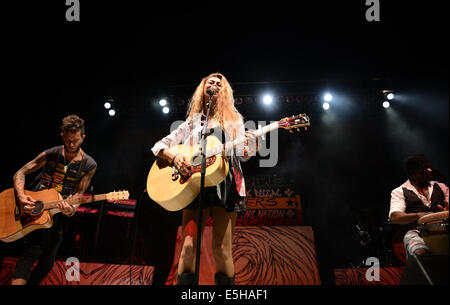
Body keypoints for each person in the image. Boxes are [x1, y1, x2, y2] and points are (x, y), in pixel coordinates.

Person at [151, 73, 260, 285]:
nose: (215, 85)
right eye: (210, 82)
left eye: (219, 84)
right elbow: (158, 146)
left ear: (224, 91)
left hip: (225, 183)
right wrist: (175, 159)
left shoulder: (234, 119)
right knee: (189, 245)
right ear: (203, 88)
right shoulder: (192, 121)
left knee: (221, 249)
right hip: (194, 183)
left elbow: (243, 153)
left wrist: (252, 143)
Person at [11, 114, 97, 285]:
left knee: (47, 262)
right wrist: (20, 196)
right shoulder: (51, 154)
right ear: (62, 136)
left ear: (83, 137)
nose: (71, 144)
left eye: (76, 140)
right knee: (30, 253)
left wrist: (71, 210)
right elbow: (20, 172)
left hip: (57, 215)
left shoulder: (89, 164)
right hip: (34, 208)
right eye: (68, 140)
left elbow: (79, 195)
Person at [389, 154, 449, 259]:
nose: (430, 170)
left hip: (444, 230)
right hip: (417, 233)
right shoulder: (399, 191)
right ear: (413, 172)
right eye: (425, 167)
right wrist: (418, 215)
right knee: (420, 253)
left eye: (429, 166)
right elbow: (395, 217)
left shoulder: (441, 186)